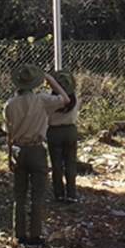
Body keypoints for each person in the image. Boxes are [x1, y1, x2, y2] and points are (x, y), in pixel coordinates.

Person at [2, 64, 70, 246]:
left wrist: (9, 156)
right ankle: (35, 235)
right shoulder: (42, 100)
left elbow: (8, 135)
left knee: (19, 194)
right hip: (36, 148)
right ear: (35, 82)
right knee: (37, 194)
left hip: (18, 149)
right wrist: (51, 80)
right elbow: (65, 99)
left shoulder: (9, 104)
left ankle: (19, 233)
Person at [46, 69, 79, 203]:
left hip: (54, 130)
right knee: (70, 163)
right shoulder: (75, 98)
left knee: (56, 164)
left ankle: (58, 193)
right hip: (70, 129)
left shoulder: (50, 100)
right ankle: (71, 194)